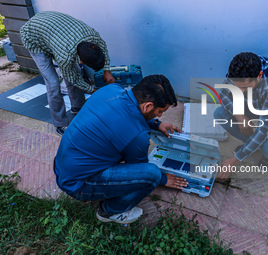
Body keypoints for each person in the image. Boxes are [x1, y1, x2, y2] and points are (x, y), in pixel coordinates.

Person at [54, 75, 188, 224]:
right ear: (148, 106)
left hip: (63, 166)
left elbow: (130, 113)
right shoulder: (138, 137)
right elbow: (139, 171)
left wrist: (156, 123)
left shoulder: (111, 90)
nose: (160, 115)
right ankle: (109, 211)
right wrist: (164, 179)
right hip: (78, 184)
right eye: (160, 111)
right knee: (151, 175)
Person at [20, 11, 115, 136]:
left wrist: (107, 71)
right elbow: (72, 78)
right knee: (53, 83)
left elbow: (103, 48)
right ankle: (60, 123)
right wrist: (92, 90)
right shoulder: (65, 56)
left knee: (74, 71)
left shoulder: (93, 37)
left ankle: (78, 107)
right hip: (34, 37)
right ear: (81, 61)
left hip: (52, 29)